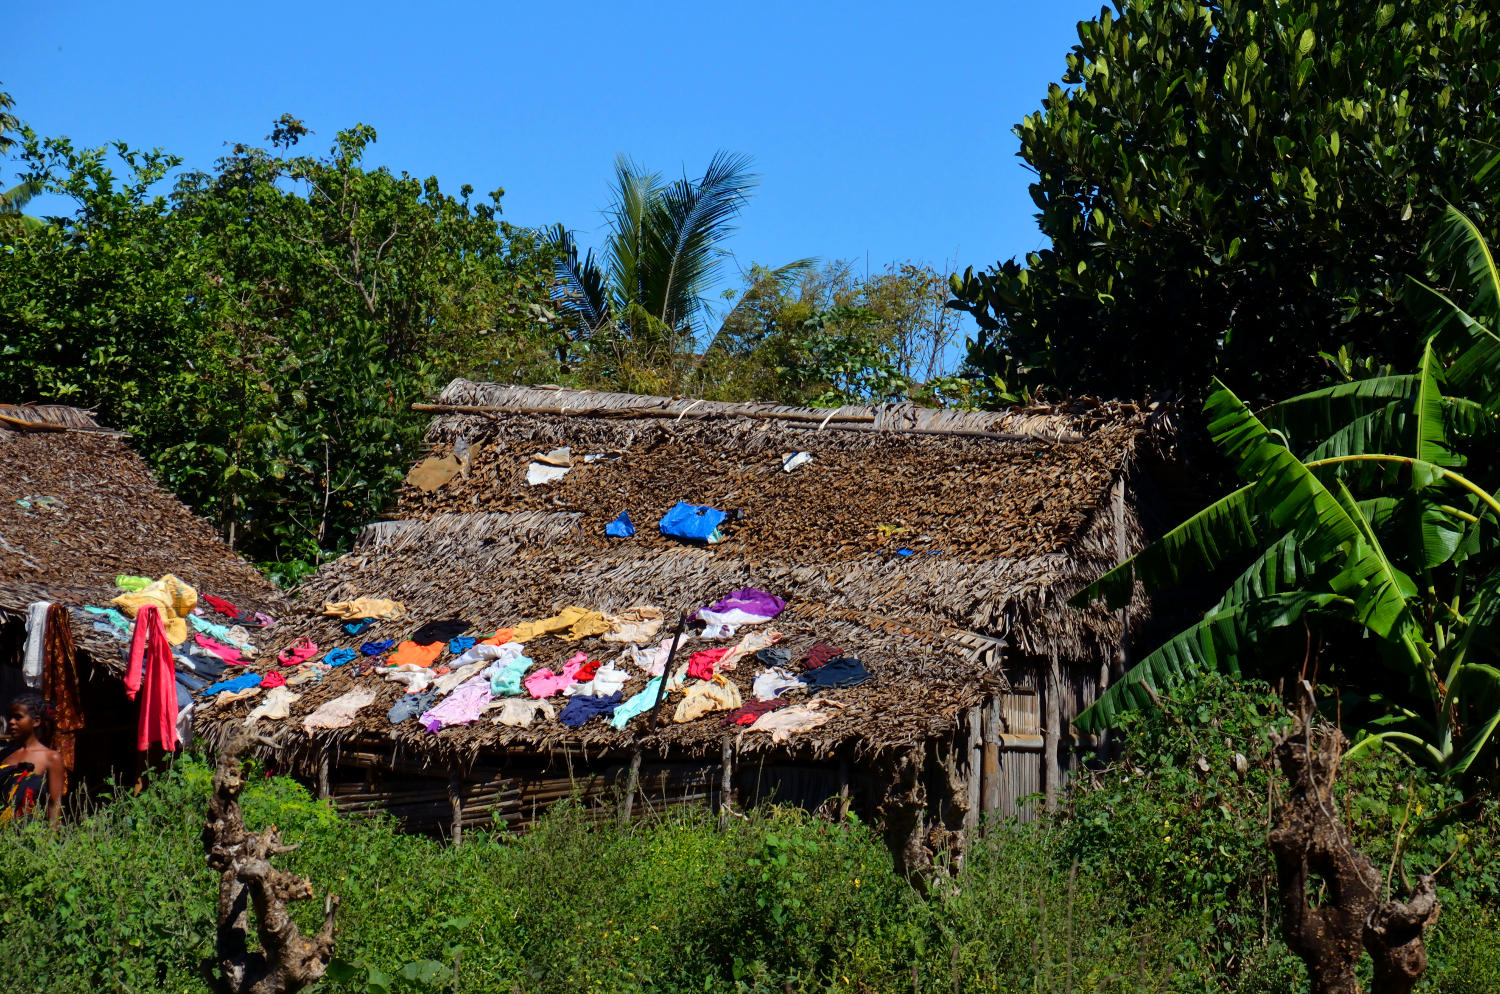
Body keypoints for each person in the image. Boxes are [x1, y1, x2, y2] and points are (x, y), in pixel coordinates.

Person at [1, 692, 64, 826]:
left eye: (18, 717)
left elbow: (54, 804)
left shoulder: (50, 758)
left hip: (27, 832)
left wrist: (52, 836)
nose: (11, 722)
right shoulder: (6, 754)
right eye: (11, 717)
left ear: (36, 721)